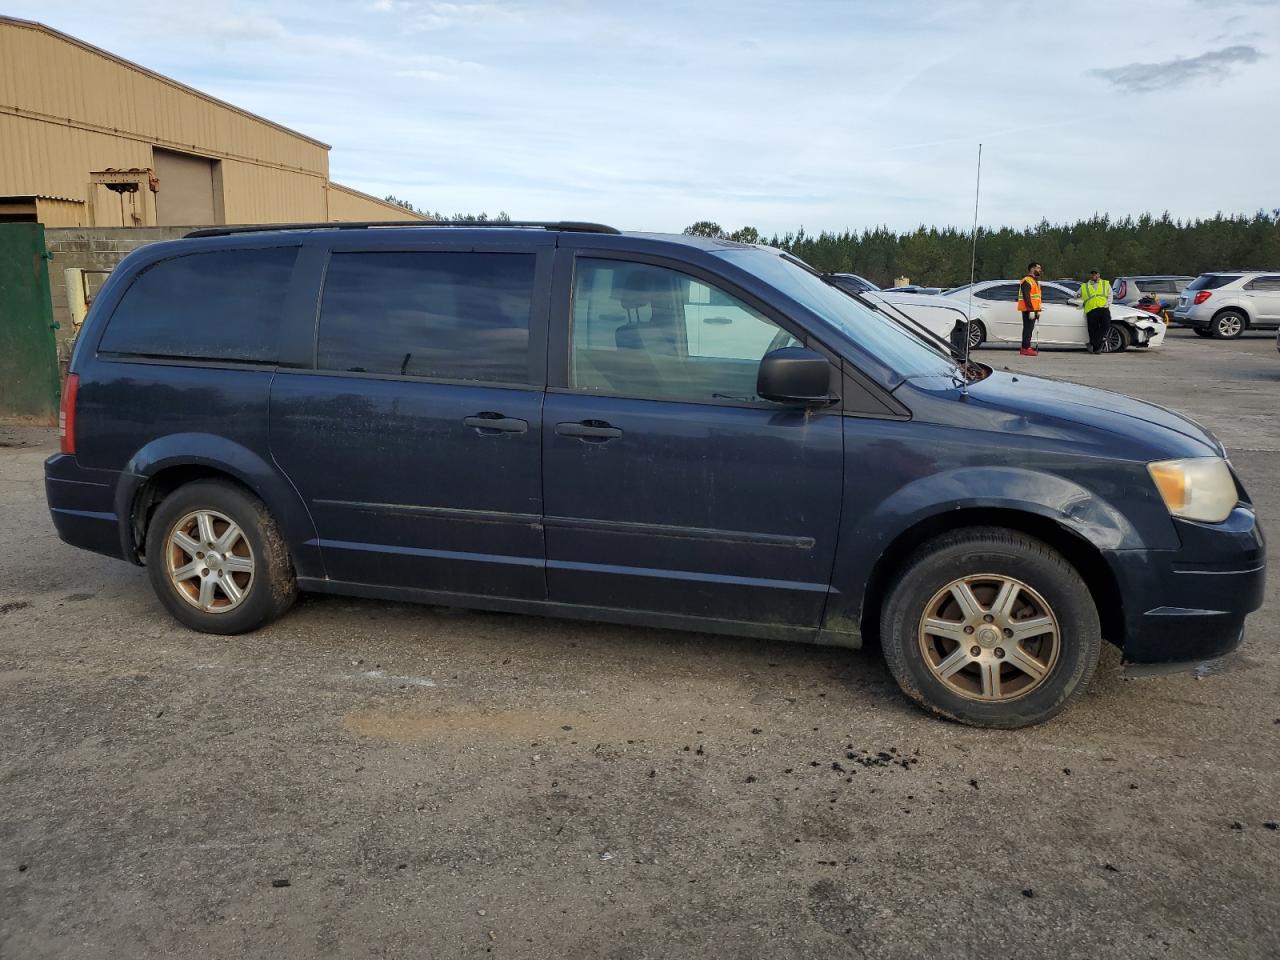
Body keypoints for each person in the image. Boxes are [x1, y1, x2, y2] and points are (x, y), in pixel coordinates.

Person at [1079, 269, 1112, 354]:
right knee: (1092, 330)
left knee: (1106, 325)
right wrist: (1078, 297)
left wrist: (1107, 305)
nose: (1093, 276)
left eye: (1095, 274)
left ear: (1098, 275)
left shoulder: (1105, 283)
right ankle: (1096, 349)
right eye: (1092, 274)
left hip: (1103, 308)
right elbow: (1077, 295)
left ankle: (1093, 343)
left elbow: (1110, 295)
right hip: (1091, 309)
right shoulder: (1085, 286)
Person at [1017, 262, 1043, 356]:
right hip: (1029, 309)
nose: (1040, 270)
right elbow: (1026, 296)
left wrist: (1038, 310)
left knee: (1029, 328)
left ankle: (1026, 346)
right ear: (1032, 269)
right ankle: (1025, 348)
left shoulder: (1034, 281)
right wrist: (1031, 309)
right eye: (1038, 268)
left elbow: (1036, 297)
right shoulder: (1027, 280)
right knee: (1028, 329)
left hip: (1033, 309)